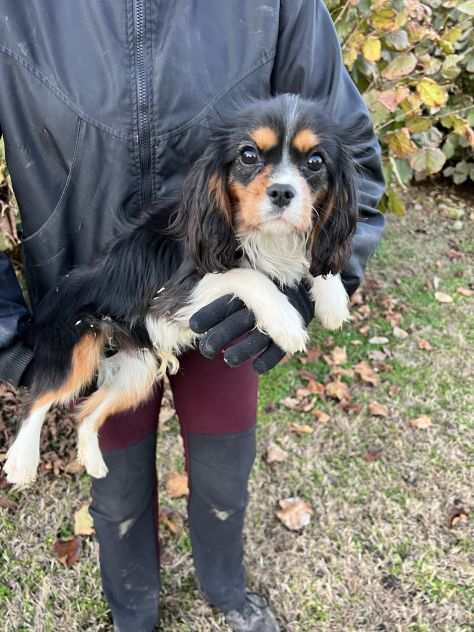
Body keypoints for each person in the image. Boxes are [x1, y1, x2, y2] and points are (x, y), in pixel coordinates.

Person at [0, 1, 385, 630]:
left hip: (234, 291)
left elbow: (349, 158)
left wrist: (312, 278)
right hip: (98, 299)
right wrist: (15, 338)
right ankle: (133, 612)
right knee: (117, 488)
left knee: (225, 469)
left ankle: (226, 590)